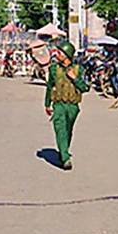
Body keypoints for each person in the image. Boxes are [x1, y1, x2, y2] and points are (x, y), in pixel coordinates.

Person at [43, 40, 84, 170]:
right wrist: (47, 104)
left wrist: (74, 78)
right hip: (59, 105)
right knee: (60, 130)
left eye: (60, 52)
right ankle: (66, 159)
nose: (57, 54)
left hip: (73, 106)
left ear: (67, 54)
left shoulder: (78, 69)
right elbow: (50, 86)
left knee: (68, 131)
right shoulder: (54, 69)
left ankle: (63, 151)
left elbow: (85, 87)